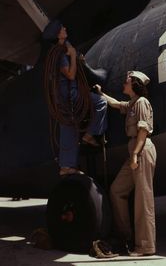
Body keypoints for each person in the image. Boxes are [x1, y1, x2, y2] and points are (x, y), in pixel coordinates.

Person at [95, 71, 157, 256]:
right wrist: (100, 93)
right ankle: (126, 236)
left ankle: (145, 247)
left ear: (135, 84)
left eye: (127, 81)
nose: (124, 83)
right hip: (135, 150)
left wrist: (136, 155)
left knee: (143, 200)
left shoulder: (142, 103)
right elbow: (114, 103)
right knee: (117, 190)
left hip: (142, 149)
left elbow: (143, 131)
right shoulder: (131, 104)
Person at [43, 20, 107, 176]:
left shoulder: (60, 50)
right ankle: (89, 135)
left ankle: (66, 165)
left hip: (66, 96)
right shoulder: (60, 55)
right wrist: (72, 56)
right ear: (59, 34)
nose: (65, 28)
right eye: (62, 28)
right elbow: (70, 74)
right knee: (101, 102)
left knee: (69, 129)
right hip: (68, 97)